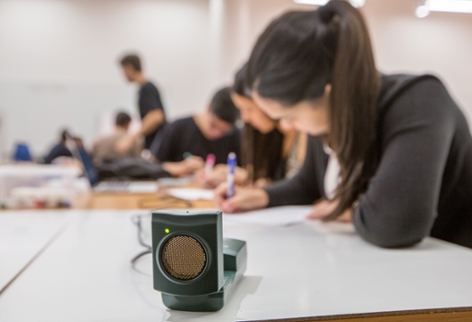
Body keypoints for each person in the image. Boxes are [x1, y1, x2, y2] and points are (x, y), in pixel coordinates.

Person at [215, 1, 472, 249]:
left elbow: (396, 223)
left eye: (289, 116)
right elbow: (308, 185)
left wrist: (348, 210)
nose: (287, 126)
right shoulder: (328, 119)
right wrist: (262, 197)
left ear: (329, 94)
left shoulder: (420, 100)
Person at [198, 65, 306, 188]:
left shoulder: (303, 133)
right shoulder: (270, 136)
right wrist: (241, 177)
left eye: (249, 109)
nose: (245, 118)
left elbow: (305, 189)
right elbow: (272, 180)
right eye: (241, 111)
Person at [155, 87, 241, 173]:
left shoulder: (236, 135)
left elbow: (247, 171)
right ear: (209, 108)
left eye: (224, 131)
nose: (216, 134)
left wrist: (231, 172)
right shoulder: (177, 128)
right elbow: (152, 165)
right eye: (213, 126)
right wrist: (180, 167)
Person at [117, 54, 167, 152]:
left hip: (158, 145)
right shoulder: (145, 88)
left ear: (129, 68)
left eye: (123, 70)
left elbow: (156, 116)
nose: (123, 74)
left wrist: (130, 138)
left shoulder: (147, 88)